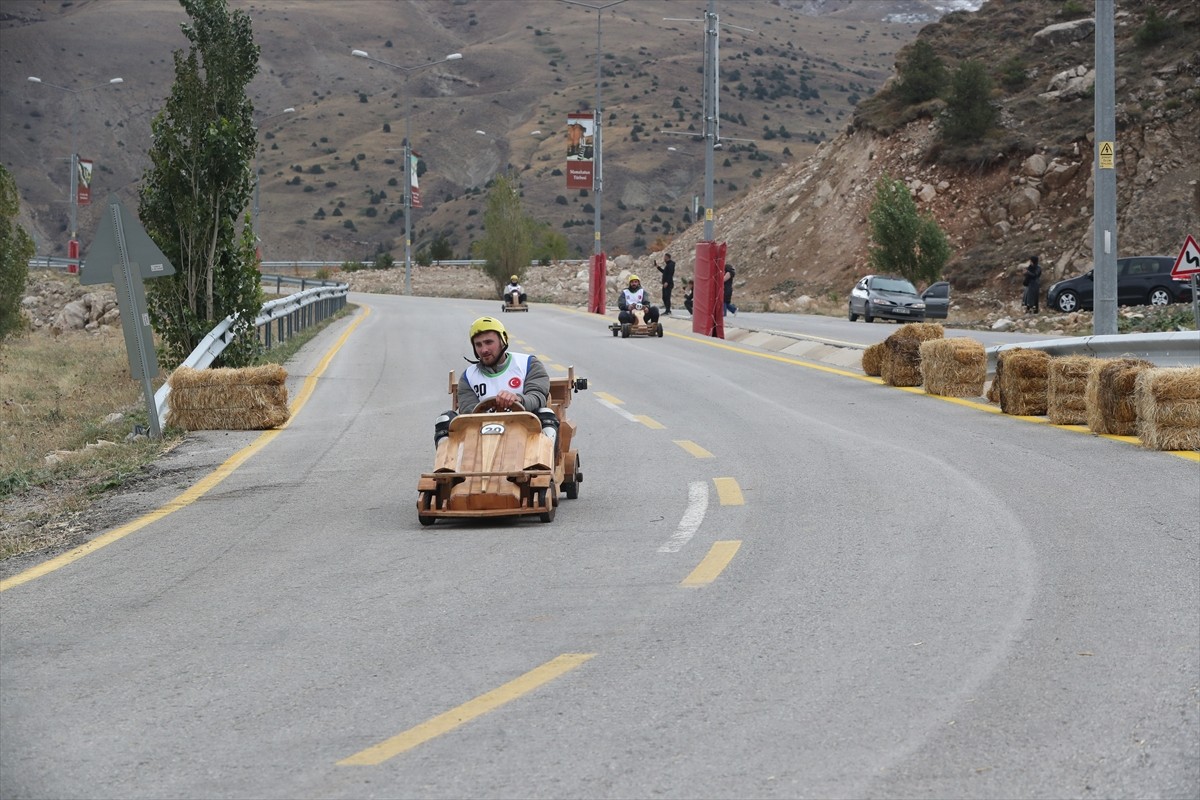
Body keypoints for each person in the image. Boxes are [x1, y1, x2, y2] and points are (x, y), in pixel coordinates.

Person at [434, 316, 552, 445]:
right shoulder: (468, 377)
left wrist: (518, 399)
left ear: (503, 341)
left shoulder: (529, 364)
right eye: (478, 344)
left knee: (546, 415)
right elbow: (468, 413)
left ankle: (544, 463)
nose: (484, 350)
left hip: (526, 432)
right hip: (481, 437)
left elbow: (538, 397)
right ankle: (449, 464)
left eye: (489, 342)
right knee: (445, 420)